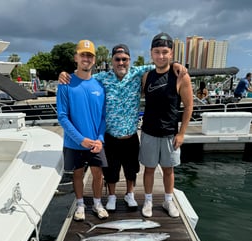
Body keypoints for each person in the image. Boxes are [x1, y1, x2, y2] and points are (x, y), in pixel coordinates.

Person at [59, 44, 186, 212]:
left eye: (124, 59)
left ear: (129, 61)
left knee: (131, 169)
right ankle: (111, 196)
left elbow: (160, 63)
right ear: (112, 61)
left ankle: (129, 194)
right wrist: (63, 74)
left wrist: (176, 64)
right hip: (111, 135)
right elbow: (83, 77)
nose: (121, 63)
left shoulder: (137, 72)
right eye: (117, 59)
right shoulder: (101, 77)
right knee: (111, 170)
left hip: (131, 135)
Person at [139, 32, 193, 218]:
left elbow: (188, 106)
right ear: (151, 53)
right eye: (157, 52)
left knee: (169, 170)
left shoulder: (180, 76)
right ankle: (148, 200)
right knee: (149, 169)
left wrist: (182, 133)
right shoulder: (146, 77)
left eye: (164, 52)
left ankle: (168, 201)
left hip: (171, 133)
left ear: (171, 53)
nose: (160, 56)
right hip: (148, 132)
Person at [56, 39, 109, 221]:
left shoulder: (100, 86)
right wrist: (80, 139)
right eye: (83, 55)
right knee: (77, 174)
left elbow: (103, 117)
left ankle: (97, 203)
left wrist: (100, 139)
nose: (86, 58)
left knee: (98, 174)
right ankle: (80, 204)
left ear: (94, 60)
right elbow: (62, 116)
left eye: (90, 56)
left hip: (95, 141)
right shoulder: (65, 83)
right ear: (76, 57)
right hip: (74, 141)